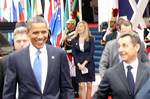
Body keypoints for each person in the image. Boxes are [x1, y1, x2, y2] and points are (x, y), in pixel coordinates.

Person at [3, 16, 74, 99]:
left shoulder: (59, 54)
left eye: (44, 32)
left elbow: (67, 88)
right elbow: (9, 93)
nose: (40, 36)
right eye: (36, 33)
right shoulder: (15, 58)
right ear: (28, 33)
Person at [93, 33, 150, 99]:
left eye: (124, 46)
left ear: (137, 47)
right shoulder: (110, 74)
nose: (120, 50)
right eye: (119, 46)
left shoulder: (148, 72)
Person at [0, 22, 29, 99]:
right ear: (14, 43)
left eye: (25, 41)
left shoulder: (36, 60)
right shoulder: (4, 62)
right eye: (18, 41)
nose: (22, 44)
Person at [72, 21, 95, 99]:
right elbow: (74, 53)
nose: (79, 28)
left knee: (89, 85)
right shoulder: (74, 39)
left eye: (81, 26)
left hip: (89, 63)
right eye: (78, 26)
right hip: (78, 64)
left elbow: (91, 53)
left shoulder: (91, 39)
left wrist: (84, 64)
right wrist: (78, 64)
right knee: (81, 86)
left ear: (85, 28)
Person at [60, 18, 79, 97]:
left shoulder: (76, 33)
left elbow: (72, 44)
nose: (67, 25)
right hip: (66, 55)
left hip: (73, 55)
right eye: (67, 24)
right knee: (68, 74)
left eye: (69, 24)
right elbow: (61, 44)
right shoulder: (65, 33)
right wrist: (64, 39)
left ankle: (76, 90)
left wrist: (66, 40)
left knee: (74, 74)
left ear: (73, 25)